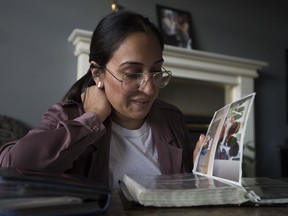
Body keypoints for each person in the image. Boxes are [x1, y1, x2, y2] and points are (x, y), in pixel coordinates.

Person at [0, 11, 204, 188]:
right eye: (132, 73)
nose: (150, 89)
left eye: (156, 71)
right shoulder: (68, 115)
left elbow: (179, 193)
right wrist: (93, 119)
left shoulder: (171, 118)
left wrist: (198, 174)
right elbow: (10, 168)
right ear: (98, 73)